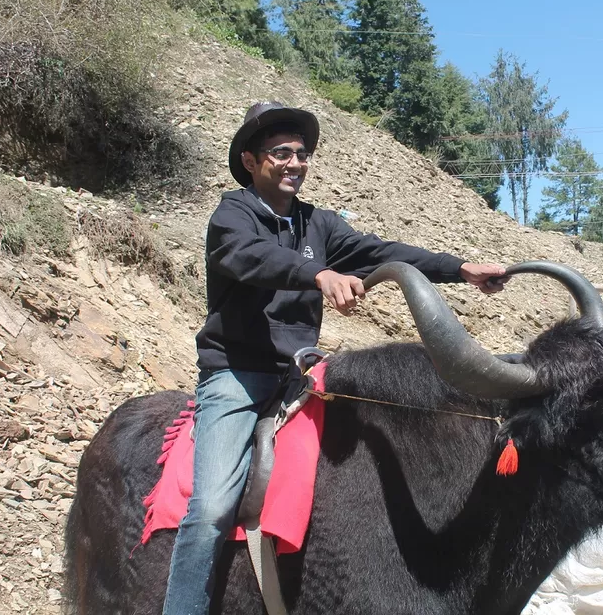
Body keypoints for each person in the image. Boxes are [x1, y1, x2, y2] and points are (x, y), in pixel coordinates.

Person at [161, 101, 511, 614]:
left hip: (301, 374)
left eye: (301, 154)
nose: (294, 163)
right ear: (252, 161)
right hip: (237, 375)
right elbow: (249, 256)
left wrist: (460, 269)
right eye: (280, 153)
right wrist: (317, 274)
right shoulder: (232, 215)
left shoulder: (317, 224)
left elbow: (381, 253)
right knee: (212, 508)